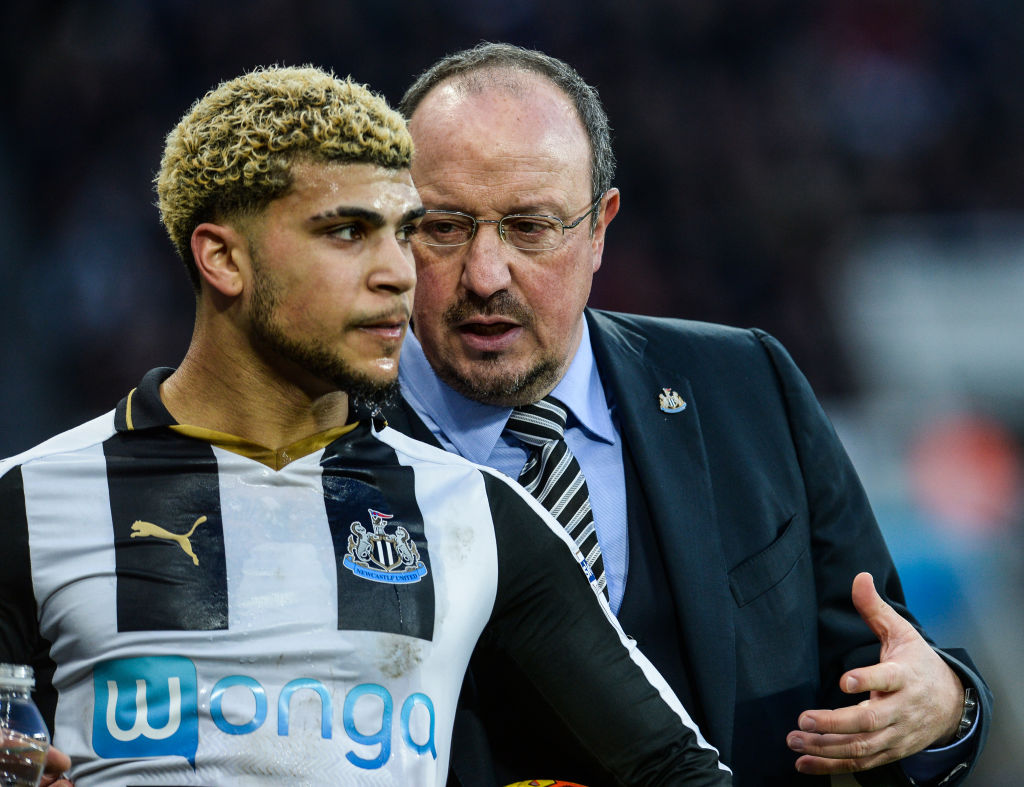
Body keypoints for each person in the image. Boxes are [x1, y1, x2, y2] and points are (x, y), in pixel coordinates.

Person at [0, 65, 731, 785]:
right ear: (223, 257)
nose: (397, 273)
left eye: (405, 230)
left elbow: (677, 768)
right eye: (348, 231)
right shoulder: (32, 503)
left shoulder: (473, 512)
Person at [377, 43, 992, 786]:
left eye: (531, 226)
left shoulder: (746, 384)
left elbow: (883, 667)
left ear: (599, 227)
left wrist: (947, 704)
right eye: (444, 226)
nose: (485, 274)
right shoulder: (316, 442)